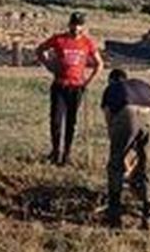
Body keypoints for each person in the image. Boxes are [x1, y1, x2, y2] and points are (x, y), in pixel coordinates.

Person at [100, 68, 150, 229]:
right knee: (148, 168)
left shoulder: (111, 88)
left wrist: (120, 150)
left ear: (111, 80)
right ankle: (148, 217)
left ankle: (114, 215)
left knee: (115, 166)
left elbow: (110, 121)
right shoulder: (144, 85)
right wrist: (148, 137)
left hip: (127, 113)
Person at [36, 11, 104, 165]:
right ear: (69, 24)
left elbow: (99, 64)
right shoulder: (58, 39)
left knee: (71, 122)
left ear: (83, 26)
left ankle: (67, 154)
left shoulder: (87, 43)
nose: (76, 28)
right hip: (60, 85)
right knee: (56, 120)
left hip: (76, 88)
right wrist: (49, 64)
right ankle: (56, 152)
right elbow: (40, 50)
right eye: (74, 24)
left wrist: (88, 81)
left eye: (79, 25)